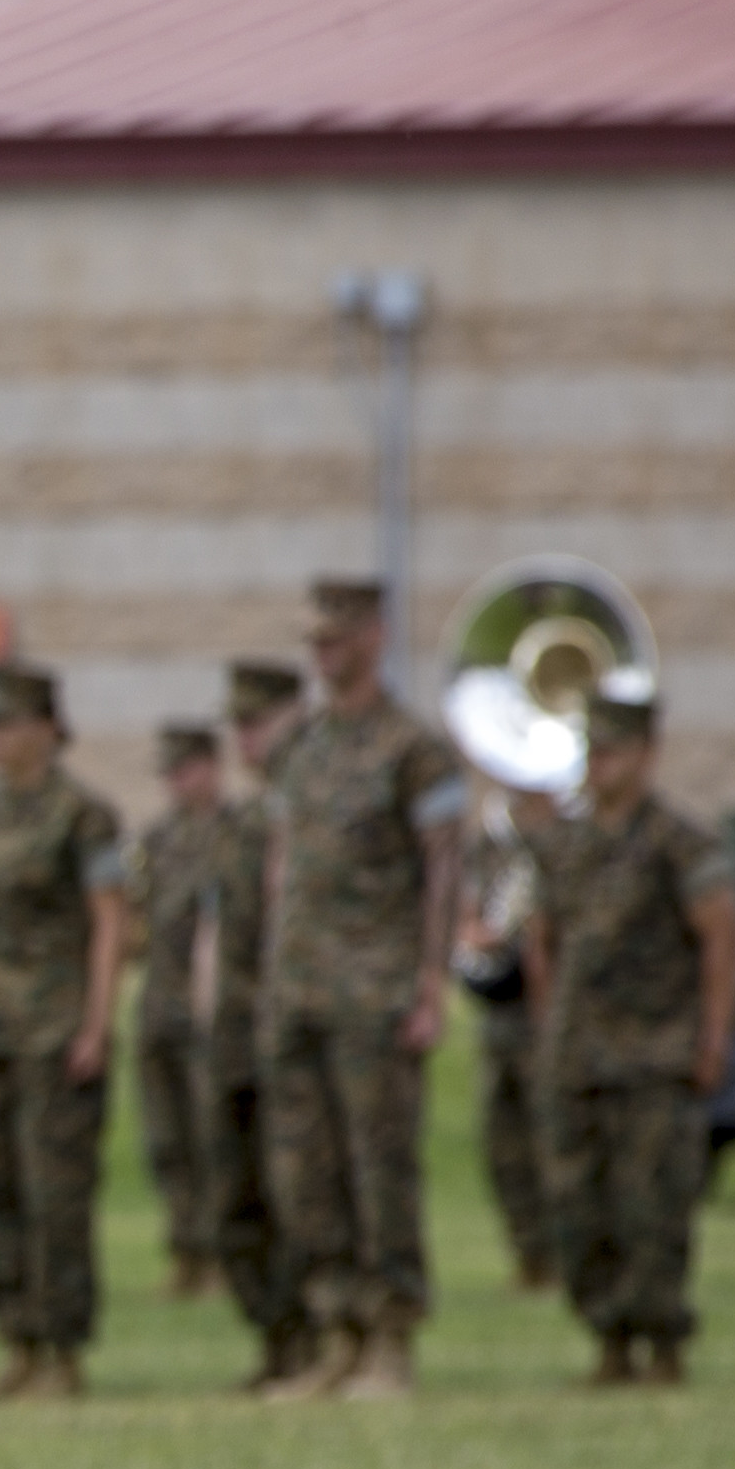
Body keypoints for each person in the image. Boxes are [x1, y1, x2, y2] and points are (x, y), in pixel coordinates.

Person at [261, 577, 470, 1400]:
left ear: (375, 637)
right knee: (306, 1175)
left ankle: (390, 1339)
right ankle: (336, 1331)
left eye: (337, 639)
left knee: (378, 1170)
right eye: (314, 642)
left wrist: (429, 982)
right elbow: (283, 864)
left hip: (376, 992)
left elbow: (443, 868)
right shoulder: (301, 746)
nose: (324, 654)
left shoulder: (411, 749)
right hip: (302, 989)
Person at [525, 689, 735, 1385]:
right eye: (592, 751)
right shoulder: (567, 844)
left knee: (653, 1205)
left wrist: (712, 1038)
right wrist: (545, 1027)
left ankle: (663, 1343)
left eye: (613, 750)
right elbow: (540, 939)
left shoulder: (680, 842)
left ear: (646, 754)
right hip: (578, 1053)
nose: (600, 765)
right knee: (578, 1204)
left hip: (654, 1051)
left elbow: (721, 937)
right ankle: (610, 1339)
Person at [0, 669, 128, 1397]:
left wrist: (96, 1022)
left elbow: (111, 920)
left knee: (56, 1193)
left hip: (52, 1024)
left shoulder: (82, 815)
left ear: (47, 729)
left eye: (8, 724)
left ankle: (63, 1347)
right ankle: (17, 1337)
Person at [211, 660, 310, 1386]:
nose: (248, 739)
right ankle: (274, 1335)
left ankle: (322, 1336)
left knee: (303, 1188)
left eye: (259, 721)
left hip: (301, 1024)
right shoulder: (240, 822)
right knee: (239, 1196)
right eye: (239, 726)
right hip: (239, 1032)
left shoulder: (312, 809)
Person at [125, 723, 223, 1297]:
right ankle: (185, 1250)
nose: (177, 782)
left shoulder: (231, 834)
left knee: (210, 1136)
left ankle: (217, 1254)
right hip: (158, 1005)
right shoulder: (157, 841)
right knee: (166, 1138)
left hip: (206, 1009)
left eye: (185, 769)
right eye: (169, 772)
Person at [458, 786, 558, 1290]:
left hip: (552, 1013)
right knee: (504, 1142)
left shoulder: (565, 838)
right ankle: (530, 1255)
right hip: (499, 1014)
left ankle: (565, 1256)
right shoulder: (492, 845)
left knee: (553, 1139)